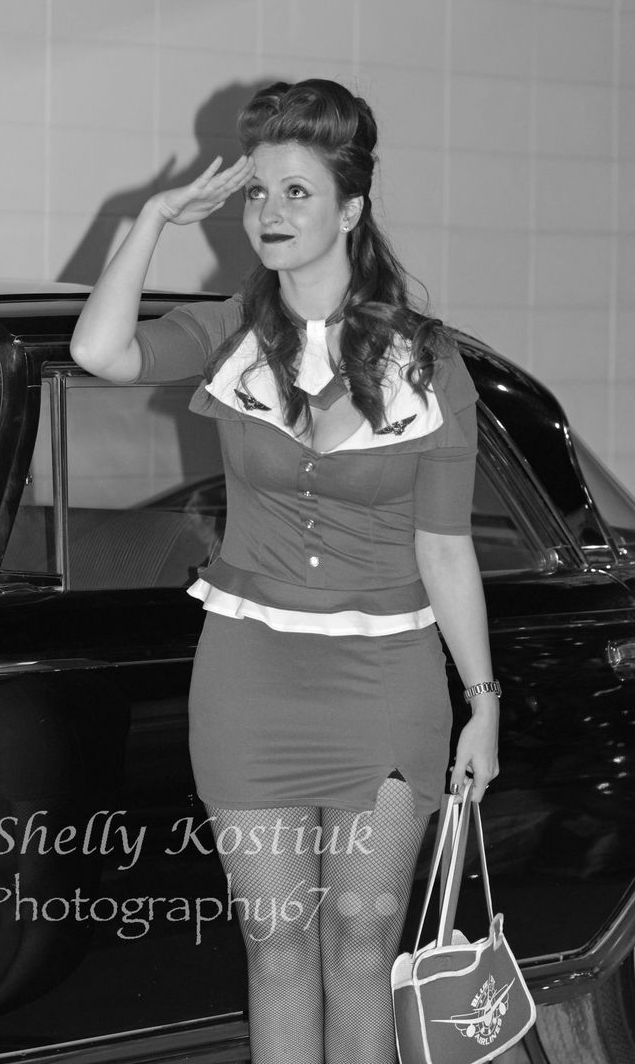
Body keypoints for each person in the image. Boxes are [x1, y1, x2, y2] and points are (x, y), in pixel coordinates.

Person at [71, 78, 499, 1064]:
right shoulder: (229, 332)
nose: (269, 212)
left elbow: (444, 546)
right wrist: (149, 218)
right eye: (258, 192)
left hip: (385, 687)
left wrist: (480, 697)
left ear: (350, 208)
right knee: (273, 945)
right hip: (249, 683)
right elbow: (100, 348)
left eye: (297, 192)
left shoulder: (428, 364)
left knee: (359, 944)